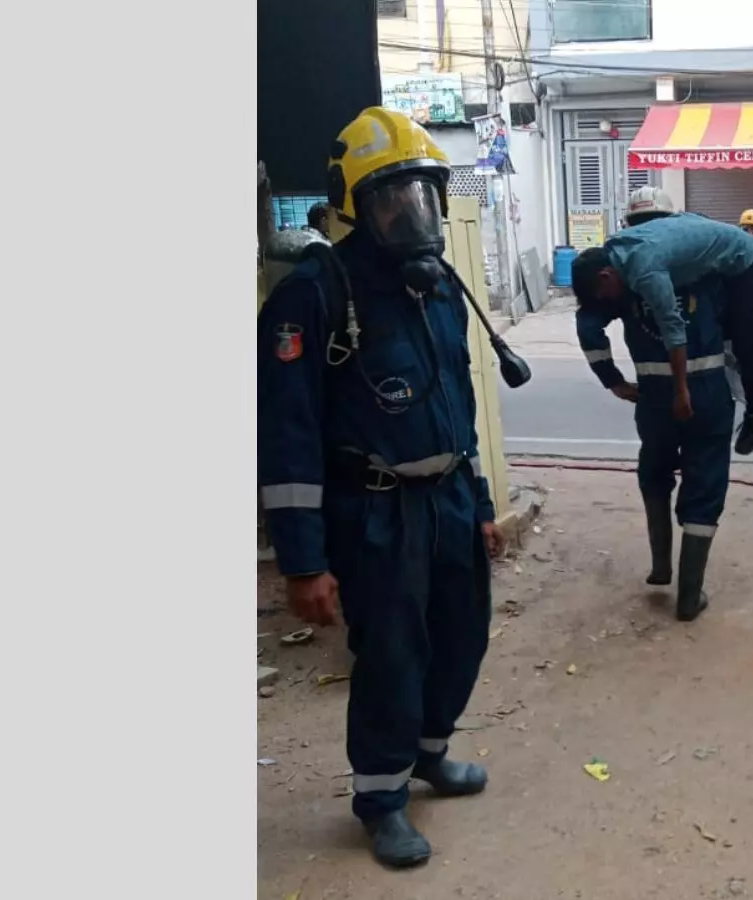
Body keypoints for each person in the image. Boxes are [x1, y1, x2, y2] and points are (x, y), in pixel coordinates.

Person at [258, 107, 507, 869]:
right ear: (355, 206)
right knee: (393, 655)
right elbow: (285, 432)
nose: (413, 212)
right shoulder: (313, 295)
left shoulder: (431, 286)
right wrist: (303, 562)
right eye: (393, 196)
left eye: (424, 194)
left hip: (451, 501)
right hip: (375, 512)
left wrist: (486, 504)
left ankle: (429, 754)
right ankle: (382, 797)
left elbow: (457, 398)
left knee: (461, 636)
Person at [572, 258, 737, 623]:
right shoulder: (702, 268)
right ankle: (689, 597)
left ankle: (661, 567)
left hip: (654, 396)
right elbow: (740, 320)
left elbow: (588, 324)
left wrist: (611, 379)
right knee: (706, 483)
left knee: (655, 471)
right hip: (708, 390)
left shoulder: (628, 280)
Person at [581, 203, 753, 453]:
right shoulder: (615, 252)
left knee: (743, 337)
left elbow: (673, 326)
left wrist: (681, 391)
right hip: (704, 243)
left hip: (740, 260)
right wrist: (614, 381)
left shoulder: (645, 269)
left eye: (603, 295)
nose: (607, 300)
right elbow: (588, 321)